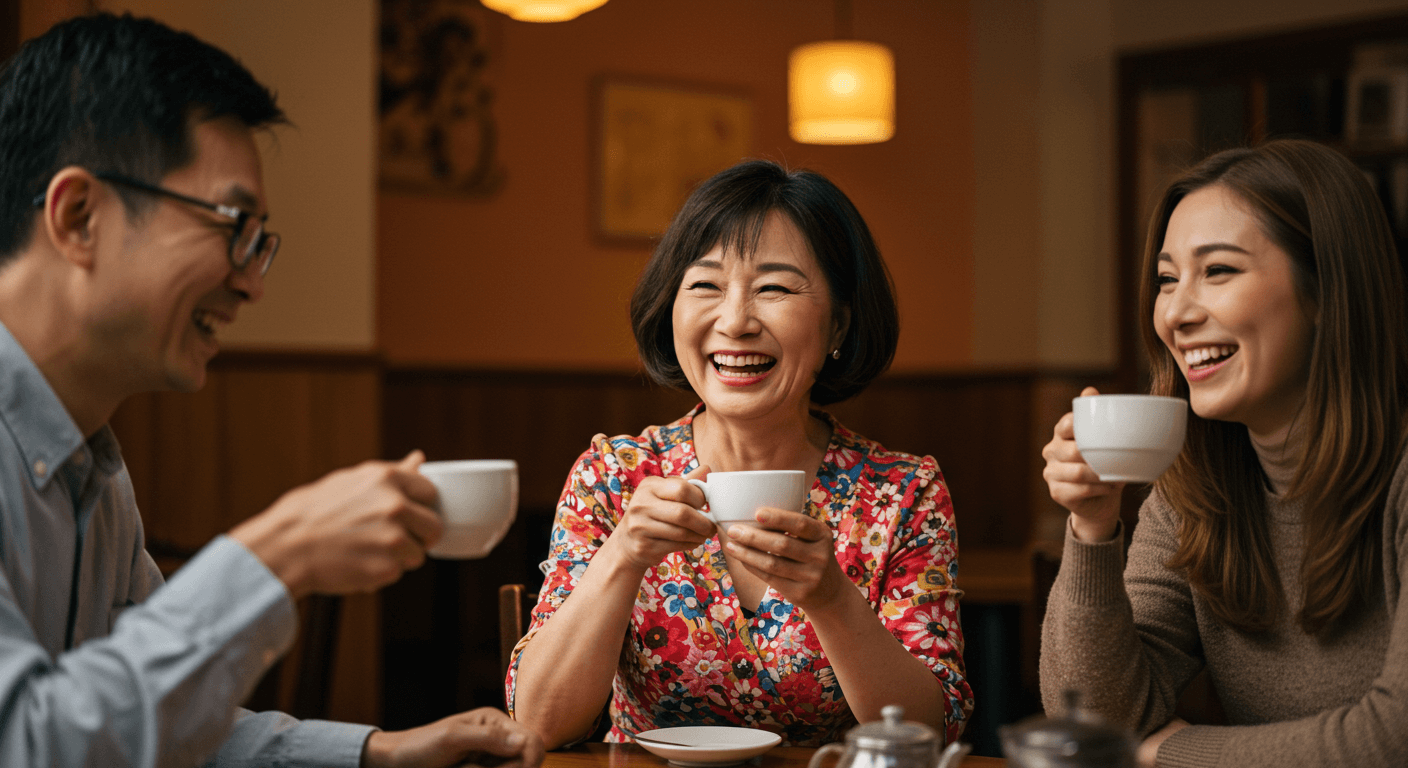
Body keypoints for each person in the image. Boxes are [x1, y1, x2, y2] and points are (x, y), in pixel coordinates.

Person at [0, 13, 544, 768]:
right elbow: (27, 743)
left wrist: (378, 752)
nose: (252, 283)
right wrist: (277, 554)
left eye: (261, 244)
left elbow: (144, 722)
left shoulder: (95, 464)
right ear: (79, 216)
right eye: (233, 229)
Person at [506, 159, 973, 748]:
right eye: (705, 285)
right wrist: (623, 556)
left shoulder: (903, 493)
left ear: (838, 327)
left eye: (774, 288)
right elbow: (538, 726)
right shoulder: (614, 478)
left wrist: (831, 600)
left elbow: (931, 729)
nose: (734, 321)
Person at [1039, 139, 1408, 767]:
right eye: (1166, 280)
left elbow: (1393, 738)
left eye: (1218, 271)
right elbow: (1096, 718)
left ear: (1326, 291)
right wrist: (1093, 526)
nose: (1175, 313)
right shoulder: (1195, 488)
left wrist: (1167, 753)